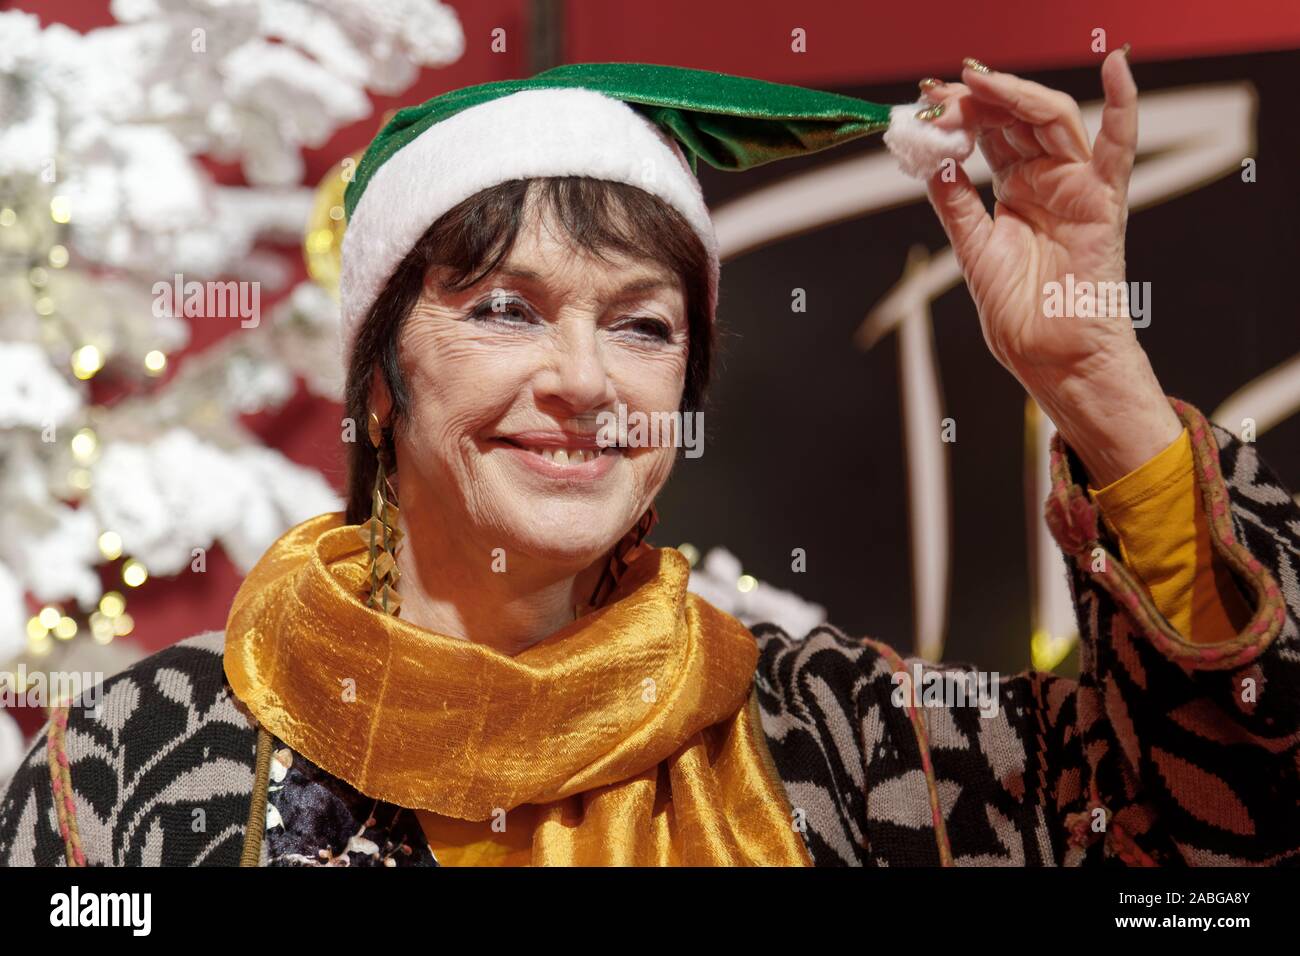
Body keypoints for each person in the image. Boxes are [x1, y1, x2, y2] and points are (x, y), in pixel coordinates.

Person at [1, 55, 1297, 867]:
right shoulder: (120, 771)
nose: (583, 381)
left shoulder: (843, 740)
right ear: (381, 389)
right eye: (504, 308)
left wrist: (1095, 383)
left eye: (642, 326)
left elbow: (1210, 823)